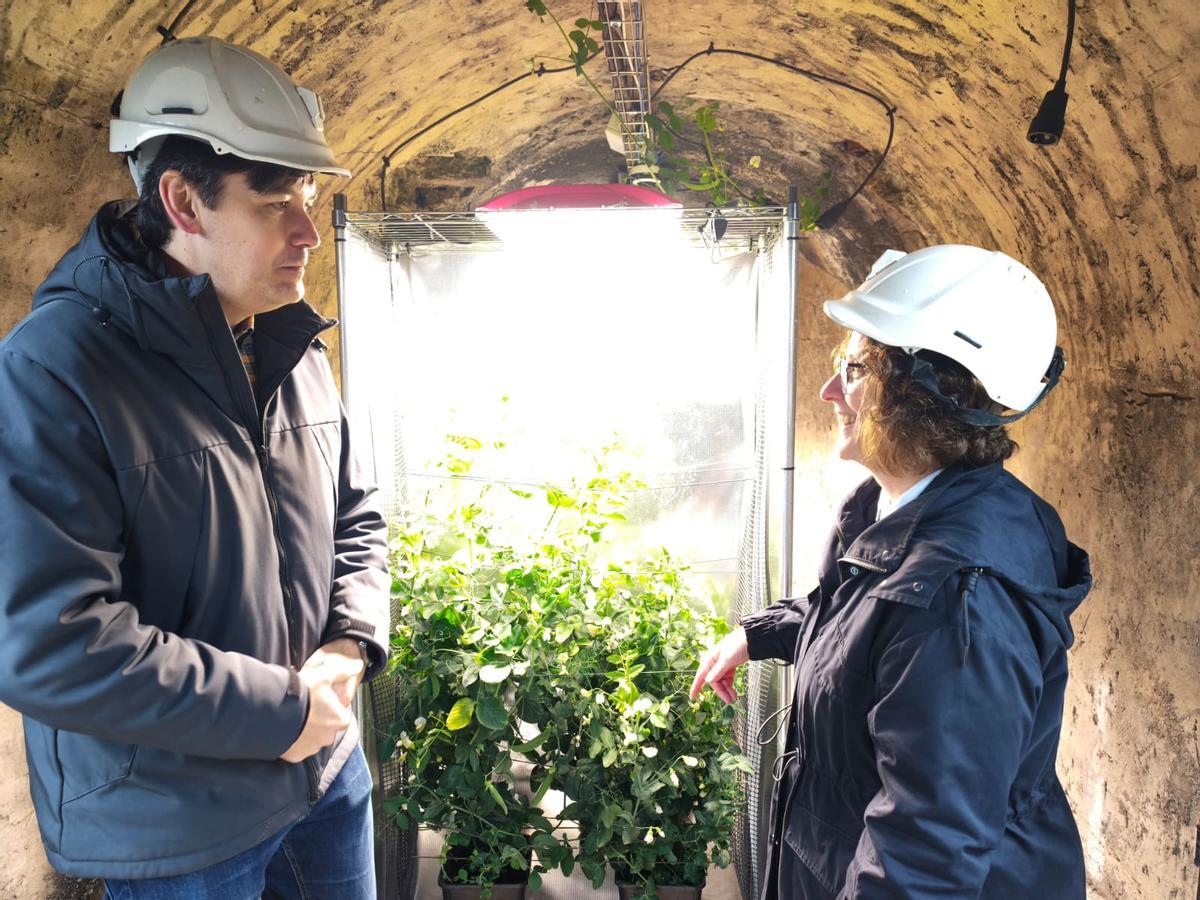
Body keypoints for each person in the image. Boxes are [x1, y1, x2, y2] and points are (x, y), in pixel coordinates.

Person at [0, 36, 389, 899]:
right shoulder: (55, 370)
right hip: (178, 825)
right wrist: (283, 710)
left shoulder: (288, 340)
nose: (309, 231)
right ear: (182, 200)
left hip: (325, 780)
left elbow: (358, 512)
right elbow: (49, 641)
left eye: (312, 192)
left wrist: (348, 644)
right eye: (277, 199)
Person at [691, 245, 1091, 899]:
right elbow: (860, 615)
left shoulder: (961, 598)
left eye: (852, 369)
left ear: (920, 396)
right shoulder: (898, 509)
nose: (827, 392)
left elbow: (924, 859)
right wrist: (759, 634)